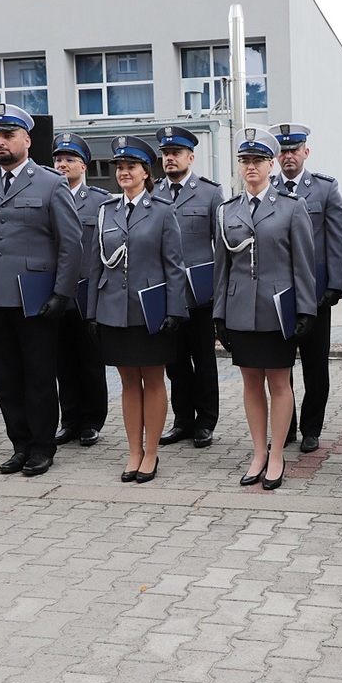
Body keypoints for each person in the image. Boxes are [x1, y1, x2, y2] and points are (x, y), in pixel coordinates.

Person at [0, 103, 83, 477]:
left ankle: (42, 446)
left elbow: (71, 243)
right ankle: (19, 444)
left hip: (36, 298)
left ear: (26, 140)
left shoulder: (51, 183)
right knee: (7, 377)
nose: (1, 142)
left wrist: (61, 294)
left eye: (8, 135)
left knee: (39, 376)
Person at [214, 125, 317, 491]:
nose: (251, 166)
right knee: (250, 382)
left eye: (258, 160)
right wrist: (219, 314)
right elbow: (222, 267)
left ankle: (277, 454)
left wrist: (305, 309)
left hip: (277, 308)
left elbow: (303, 264)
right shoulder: (227, 211)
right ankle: (258, 452)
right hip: (241, 307)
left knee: (279, 381)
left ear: (271, 164)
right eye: (245, 160)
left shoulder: (292, 207)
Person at [87, 135, 187, 483]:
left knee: (154, 380)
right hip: (114, 309)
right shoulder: (106, 212)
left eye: (131, 167)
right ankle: (133, 452)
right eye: (120, 167)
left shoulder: (162, 211)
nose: (124, 172)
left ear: (146, 172)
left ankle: (152, 453)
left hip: (151, 310)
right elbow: (95, 264)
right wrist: (92, 312)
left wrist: (175, 309)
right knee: (128, 381)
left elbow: (173, 265)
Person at [267, 123, 342, 454]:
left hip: (315, 292)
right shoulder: (267, 188)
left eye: (294, 150)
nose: (288, 156)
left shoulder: (325, 189)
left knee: (315, 366)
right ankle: (285, 427)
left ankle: (311, 427)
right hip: (278, 293)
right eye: (283, 151)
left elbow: (339, 238)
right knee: (279, 365)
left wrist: (336, 285)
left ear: (305, 152)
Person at [155, 126, 223, 450]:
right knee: (175, 361)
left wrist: (218, 292)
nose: (170, 158)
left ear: (190, 157)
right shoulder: (153, 193)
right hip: (167, 294)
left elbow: (221, 247)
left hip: (200, 295)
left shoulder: (210, 193)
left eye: (176, 153)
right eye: (166, 154)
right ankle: (182, 420)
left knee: (204, 360)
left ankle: (206, 422)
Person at [52, 133, 110, 449]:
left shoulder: (100, 201)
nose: (62, 164)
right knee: (62, 363)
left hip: (87, 294)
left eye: (69, 159)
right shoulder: (48, 196)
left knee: (90, 362)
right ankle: (69, 420)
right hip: (56, 294)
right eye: (59, 159)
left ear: (83, 165)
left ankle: (91, 422)